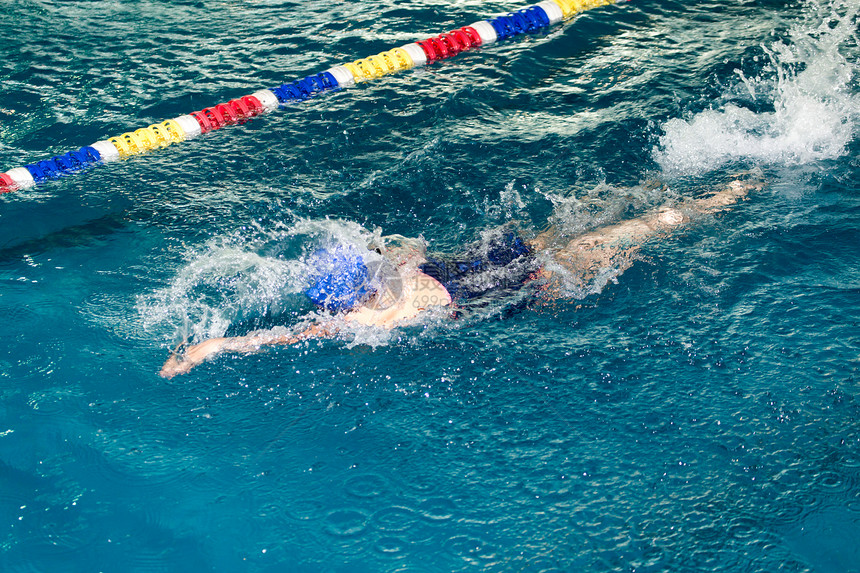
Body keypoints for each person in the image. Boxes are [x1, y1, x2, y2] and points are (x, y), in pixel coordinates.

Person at [159, 175, 764, 378]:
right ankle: (708, 197)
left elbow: (272, 338)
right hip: (481, 266)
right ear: (363, 276)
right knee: (586, 234)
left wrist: (203, 351)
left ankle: (713, 202)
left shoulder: (348, 321)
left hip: (497, 288)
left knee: (608, 244)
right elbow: (410, 247)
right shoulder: (392, 271)